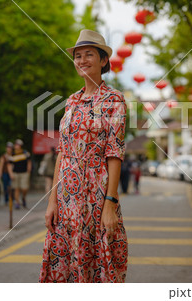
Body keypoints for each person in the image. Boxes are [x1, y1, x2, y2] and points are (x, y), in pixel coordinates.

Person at [40, 29, 128, 283]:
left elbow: (114, 152)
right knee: (66, 265)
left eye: (89, 54)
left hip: (96, 197)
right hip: (67, 199)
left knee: (97, 263)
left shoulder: (114, 100)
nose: (82, 60)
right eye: (78, 56)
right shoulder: (72, 101)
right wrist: (52, 201)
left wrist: (110, 203)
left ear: (103, 61)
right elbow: (63, 153)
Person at [8, 139, 31, 209]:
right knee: (16, 188)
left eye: (18, 145)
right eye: (16, 144)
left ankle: (23, 198)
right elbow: (9, 165)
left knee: (24, 188)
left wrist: (28, 171)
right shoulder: (12, 154)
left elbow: (29, 162)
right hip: (16, 173)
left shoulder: (25, 153)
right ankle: (17, 202)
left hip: (24, 173)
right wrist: (11, 173)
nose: (16, 146)